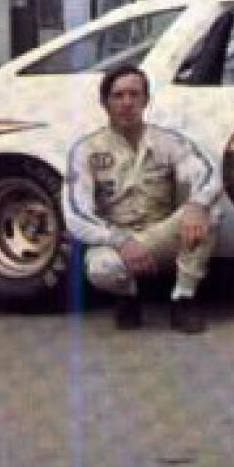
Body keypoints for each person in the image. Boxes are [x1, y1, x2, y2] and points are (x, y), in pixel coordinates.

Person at [64, 66, 222, 333]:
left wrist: (197, 205)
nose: (127, 103)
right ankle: (128, 296)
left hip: (160, 236)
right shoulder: (86, 150)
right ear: (105, 103)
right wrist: (120, 240)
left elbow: (208, 173)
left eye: (134, 95)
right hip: (116, 240)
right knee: (102, 269)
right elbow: (75, 215)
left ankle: (183, 298)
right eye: (118, 95)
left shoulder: (167, 142)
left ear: (146, 100)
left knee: (210, 210)